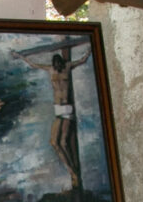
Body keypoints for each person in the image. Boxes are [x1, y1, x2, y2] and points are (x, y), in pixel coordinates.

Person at [14, 45, 90, 187]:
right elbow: (34, 65)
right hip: (58, 109)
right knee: (57, 143)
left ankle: (73, 173)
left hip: (66, 108)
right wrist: (20, 56)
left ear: (61, 62)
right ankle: (72, 172)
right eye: (56, 64)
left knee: (60, 142)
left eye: (59, 64)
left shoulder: (67, 67)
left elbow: (82, 60)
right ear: (54, 64)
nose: (58, 66)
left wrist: (89, 50)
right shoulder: (50, 70)